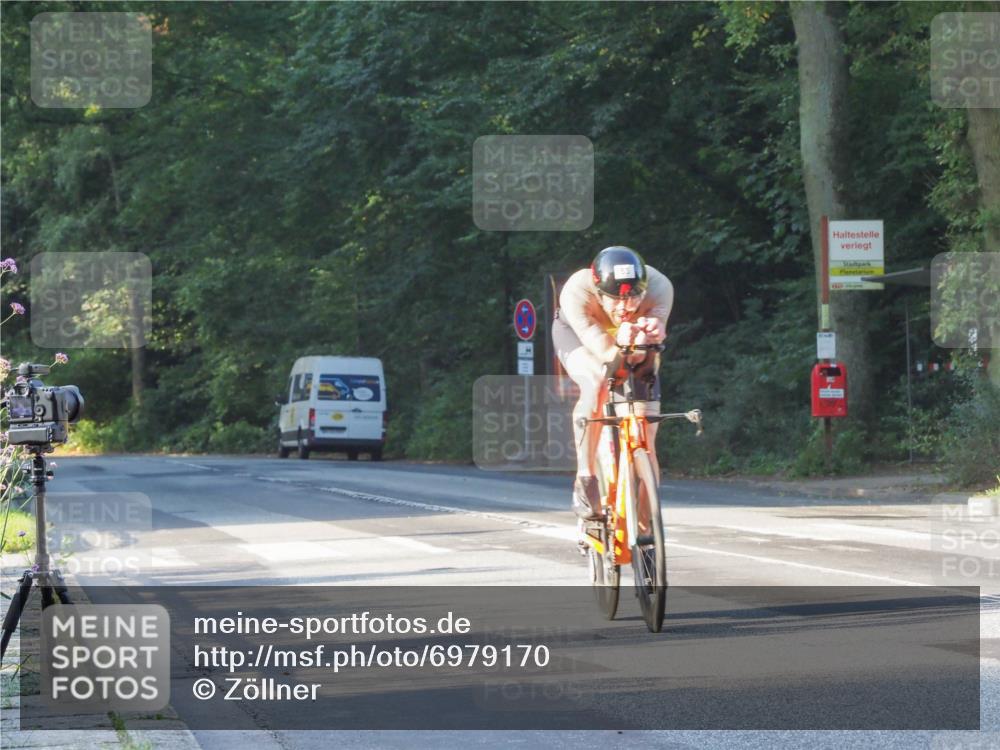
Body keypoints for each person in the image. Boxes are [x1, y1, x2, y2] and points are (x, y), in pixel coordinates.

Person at [551, 246, 674, 519]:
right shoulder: (577, 293)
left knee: (645, 429)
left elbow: (645, 357)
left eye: (633, 298)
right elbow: (608, 355)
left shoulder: (660, 287)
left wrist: (648, 338)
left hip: (631, 340)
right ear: (598, 292)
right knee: (596, 382)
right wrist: (622, 340)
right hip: (577, 334)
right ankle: (585, 478)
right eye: (615, 300)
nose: (625, 308)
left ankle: (646, 525)